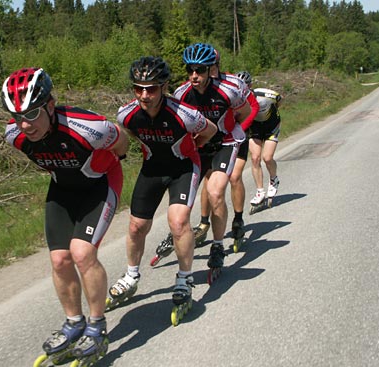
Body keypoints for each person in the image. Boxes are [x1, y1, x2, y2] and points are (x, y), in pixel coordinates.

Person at [1, 67, 128, 365]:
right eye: (17, 116)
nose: (24, 124)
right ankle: (74, 322)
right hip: (62, 187)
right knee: (59, 260)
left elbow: (121, 141)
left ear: (49, 104)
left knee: (82, 253)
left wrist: (112, 160)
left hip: (100, 182)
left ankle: (97, 326)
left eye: (32, 114)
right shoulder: (14, 136)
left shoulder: (88, 127)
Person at [107, 56, 216, 310]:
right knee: (136, 227)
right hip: (153, 167)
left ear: (164, 87)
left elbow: (209, 129)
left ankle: (185, 278)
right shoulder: (127, 114)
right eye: (138, 88)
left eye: (151, 88)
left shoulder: (184, 114)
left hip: (183, 167)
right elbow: (131, 133)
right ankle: (132, 275)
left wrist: (194, 147)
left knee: (178, 222)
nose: (144, 95)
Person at [173, 43, 251, 272]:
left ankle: (217, 246)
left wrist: (230, 129)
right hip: (200, 145)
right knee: (188, 197)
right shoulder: (181, 94)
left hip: (225, 142)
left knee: (216, 192)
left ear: (210, 70)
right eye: (190, 70)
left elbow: (245, 113)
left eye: (199, 70)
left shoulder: (228, 90)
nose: (194, 75)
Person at [241, 71, 283, 210]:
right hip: (255, 127)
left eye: (245, 87)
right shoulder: (236, 100)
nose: (242, 90)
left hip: (272, 126)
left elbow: (280, 100)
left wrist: (273, 112)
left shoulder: (265, 94)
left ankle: (273, 179)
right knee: (254, 158)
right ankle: (260, 191)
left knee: (267, 157)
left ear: (250, 85)